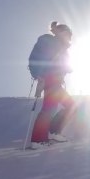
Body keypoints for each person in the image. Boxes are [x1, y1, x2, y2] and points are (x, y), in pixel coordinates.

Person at [27, 21, 76, 149]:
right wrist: (38, 74)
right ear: (60, 32)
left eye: (69, 35)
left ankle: (53, 132)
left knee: (71, 105)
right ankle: (38, 140)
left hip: (57, 81)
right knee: (49, 108)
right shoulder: (48, 40)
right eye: (67, 34)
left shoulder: (64, 49)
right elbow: (35, 57)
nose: (69, 37)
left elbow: (63, 63)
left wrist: (67, 68)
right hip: (48, 78)